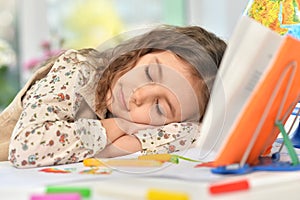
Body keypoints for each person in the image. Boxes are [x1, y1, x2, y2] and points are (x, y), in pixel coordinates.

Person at [0, 25, 226, 168]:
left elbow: (199, 133)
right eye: (148, 73)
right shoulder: (78, 72)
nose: (138, 95)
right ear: (142, 51)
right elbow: (26, 148)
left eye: (159, 107)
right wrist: (115, 127)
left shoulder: (174, 122)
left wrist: (128, 142)